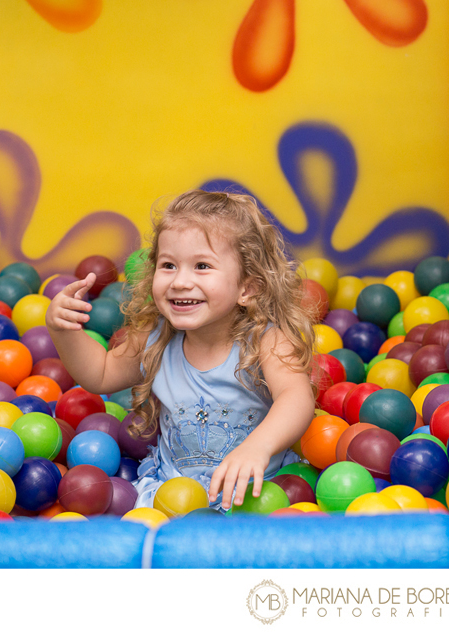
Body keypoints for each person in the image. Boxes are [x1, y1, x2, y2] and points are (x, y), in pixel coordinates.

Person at [45, 189, 316, 511]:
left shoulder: (264, 340)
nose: (180, 281)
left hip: (255, 492)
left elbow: (297, 398)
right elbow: (100, 375)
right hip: (170, 493)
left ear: (248, 287)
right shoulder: (155, 337)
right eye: (169, 265)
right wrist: (62, 331)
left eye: (202, 266)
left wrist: (256, 449)